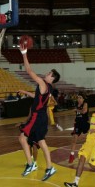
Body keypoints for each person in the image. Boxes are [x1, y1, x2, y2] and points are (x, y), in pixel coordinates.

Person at [17, 42, 60, 181]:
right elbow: (38, 98)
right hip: (41, 117)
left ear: (52, 78)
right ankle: (49, 167)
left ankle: (31, 164)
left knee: (22, 138)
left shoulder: (43, 83)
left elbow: (29, 71)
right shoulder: (49, 89)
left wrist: (24, 54)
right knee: (41, 141)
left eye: (49, 73)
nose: (47, 74)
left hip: (37, 117)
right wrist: (25, 92)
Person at [64, 98, 95, 187]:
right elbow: (91, 129)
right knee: (82, 158)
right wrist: (85, 135)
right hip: (89, 141)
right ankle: (75, 183)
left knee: (92, 164)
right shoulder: (93, 115)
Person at [69, 92, 90, 163]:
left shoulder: (85, 104)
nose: (79, 99)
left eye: (80, 98)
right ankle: (71, 155)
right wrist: (75, 120)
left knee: (88, 139)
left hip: (84, 123)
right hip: (78, 124)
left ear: (83, 99)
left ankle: (89, 152)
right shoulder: (77, 105)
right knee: (74, 138)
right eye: (78, 98)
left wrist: (77, 110)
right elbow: (78, 114)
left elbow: (84, 111)